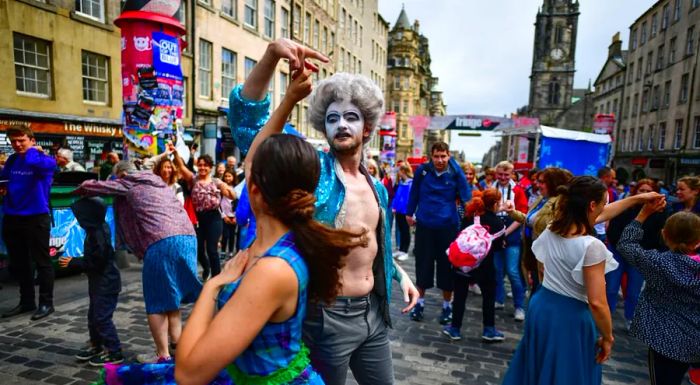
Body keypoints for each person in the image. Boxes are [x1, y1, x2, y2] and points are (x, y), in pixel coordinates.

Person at [228, 38, 418, 385]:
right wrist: (272, 58)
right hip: (326, 317)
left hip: (373, 316)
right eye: (333, 119)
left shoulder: (376, 187)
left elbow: (373, 247)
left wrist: (400, 276)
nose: (342, 125)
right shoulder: (313, 170)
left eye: (351, 117)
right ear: (324, 127)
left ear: (368, 128)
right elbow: (250, 126)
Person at [502, 176, 661, 385]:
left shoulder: (552, 228)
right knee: (567, 373)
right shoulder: (591, 247)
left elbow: (601, 213)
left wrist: (638, 199)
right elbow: (597, 302)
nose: (605, 208)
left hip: (542, 305)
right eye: (603, 203)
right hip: (570, 316)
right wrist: (608, 337)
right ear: (592, 205)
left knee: (537, 367)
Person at [74, 160, 202, 362]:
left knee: (157, 302)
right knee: (172, 297)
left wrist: (80, 188)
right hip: (188, 238)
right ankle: (177, 345)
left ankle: (162, 355)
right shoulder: (159, 183)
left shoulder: (130, 181)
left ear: (122, 174)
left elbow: (97, 187)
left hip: (162, 241)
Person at [617, 208, 700, 385]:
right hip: (695, 339)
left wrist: (642, 215)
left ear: (664, 234)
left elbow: (625, 245)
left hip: (663, 339)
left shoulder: (657, 262)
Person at [406, 142, 471, 324]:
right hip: (425, 224)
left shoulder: (454, 173)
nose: (440, 160)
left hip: (447, 226)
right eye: (437, 156)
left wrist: (457, 168)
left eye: (444, 156)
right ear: (431, 156)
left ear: (449, 156)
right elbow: (414, 193)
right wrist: (409, 213)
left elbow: (467, 195)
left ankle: (446, 306)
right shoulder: (423, 171)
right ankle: (419, 303)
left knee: (447, 268)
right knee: (423, 265)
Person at [0, 125, 57, 321]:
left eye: (21, 140)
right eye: (13, 141)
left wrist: (33, 151)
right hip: (12, 216)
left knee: (42, 262)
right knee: (20, 262)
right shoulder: (13, 159)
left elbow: (34, 162)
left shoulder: (45, 160)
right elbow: (3, 178)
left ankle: (46, 303)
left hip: (36, 217)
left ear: (32, 140)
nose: (17, 145)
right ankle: (26, 302)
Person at [58, 197, 123, 366]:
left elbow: (97, 261)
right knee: (93, 316)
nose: (78, 221)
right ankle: (97, 345)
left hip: (106, 284)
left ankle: (114, 351)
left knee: (101, 317)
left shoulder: (98, 234)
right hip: (99, 283)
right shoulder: (96, 230)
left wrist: (74, 262)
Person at [443, 189, 505, 342]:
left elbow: (460, 233)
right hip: (486, 266)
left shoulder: (472, 216)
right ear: (496, 203)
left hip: (464, 263)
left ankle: (455, 328)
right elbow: (498, 247)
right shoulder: (498, 223)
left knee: (460, 296)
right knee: (489, 296)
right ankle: (489, 329)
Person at [605, 179, 666, 331]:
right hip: (618, 252)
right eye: (641, 190)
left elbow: (657, 238)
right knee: (611, 288)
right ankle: (606, 318)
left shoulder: (659, 213)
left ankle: (631, 319)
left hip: (639, 256)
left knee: (634, 291)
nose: (644, 194)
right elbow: (613, 230)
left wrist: (643, 252)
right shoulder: (626, 208)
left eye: (648, 191)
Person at [507, 167, 573, 291]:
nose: (538, 185)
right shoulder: (542, 199)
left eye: (542, 182)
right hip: (533, 249)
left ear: (553, 183)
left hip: (546, 255)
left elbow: (552, 226)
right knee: (535, 287)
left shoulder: (560, 203)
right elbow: (530, 219)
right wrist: (512, 212)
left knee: (541, 289)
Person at [175, 154, 236, 281]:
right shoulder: (193, 179)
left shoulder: (216, 181)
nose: (202, 168)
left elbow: (230, 194)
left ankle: (216, 279)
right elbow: (181, 166)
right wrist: (175, 153)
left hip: (214, 218)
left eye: (205, 165)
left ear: (210, 167)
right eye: (200, 165)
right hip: (198, 219)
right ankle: (206, 268)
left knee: (212, 250)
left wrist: (229, 191)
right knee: (199, 249)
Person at [492, 160, 527, 321]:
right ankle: (498, 299)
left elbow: (521, 217)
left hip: (511, 233)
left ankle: (519, 306)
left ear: (512, 174)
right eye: (500, 174)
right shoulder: (492, 188)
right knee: (497, 270)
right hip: (495, 233)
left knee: (513, 271)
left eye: (506, 174)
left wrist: (505, 233)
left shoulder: (518, 190)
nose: (503, 177)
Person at [391, 163, 413, 262]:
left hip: (406, 211)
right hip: (399, 211)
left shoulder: (410, 183)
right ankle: (401, 250)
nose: (398, 173)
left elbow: (409, 198)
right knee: (401, 230)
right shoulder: (401, 182)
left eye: (399, 170)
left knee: (405, 231)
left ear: (403, 171)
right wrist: (394, 207)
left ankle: (405, 251)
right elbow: (397, 196)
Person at [220, 169, 238, 258]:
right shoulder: (221, 188)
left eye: (230, 176)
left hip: (233, 216)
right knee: (225, 235)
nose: (227, 178)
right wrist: (224, 216)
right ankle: (223, 251)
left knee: (232, 235)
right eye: (226, 176)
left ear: (234, 177)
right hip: (225, 216)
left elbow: (237, 202)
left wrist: (235, 216)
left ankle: (231, 251)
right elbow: (219, 203)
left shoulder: (236, 188)